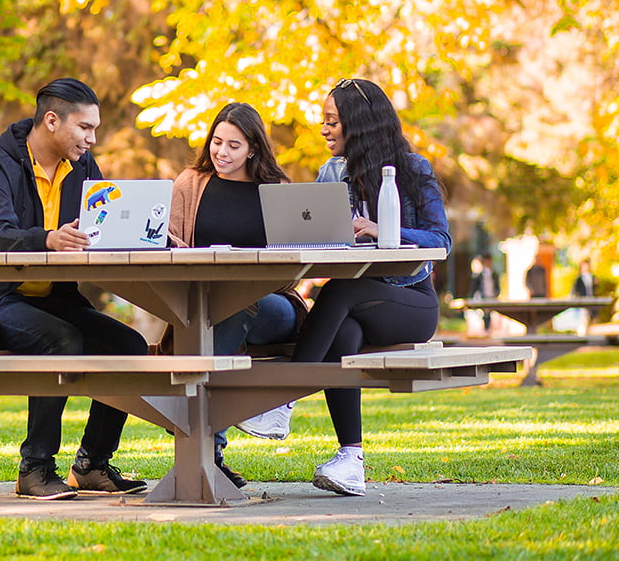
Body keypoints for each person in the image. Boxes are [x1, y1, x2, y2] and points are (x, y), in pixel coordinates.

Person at [0, 78, 149, 501]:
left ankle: (92, 464)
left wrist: (154, 239)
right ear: (51, 121)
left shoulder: (83, 167)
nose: (93, 139)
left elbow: (106, 226)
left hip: (50, 296)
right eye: (85, 128)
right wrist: (47, 238)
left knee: (129, 344)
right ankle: (34, 468)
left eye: (95, 129)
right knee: (62, 340)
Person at [289, 78, 452, 496]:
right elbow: (321, 240)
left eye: (332, 121)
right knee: (345, 329)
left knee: (339, 292)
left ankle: (282, 397)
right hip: (357, 308)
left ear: (358, 125)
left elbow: (442, 240)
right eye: (323, 120)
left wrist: (387, 232)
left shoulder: (412, 170)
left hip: (410, 304)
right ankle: (351, 460)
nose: (323, 129)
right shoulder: (331, 173)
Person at [167, 102, 307, 488]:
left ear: (253, 149)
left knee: (232, 309)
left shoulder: (277, 190)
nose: (222, 152)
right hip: (203, 305)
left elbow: (293, 268)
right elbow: (172, 246)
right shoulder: (189, 184)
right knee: (215, 318)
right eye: (216, 142)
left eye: (233, 145)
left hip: (272, 307)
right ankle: (207, 456)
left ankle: (195, 431)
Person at [469, 253, 500, 332]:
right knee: (484, 312)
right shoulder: (480, 274)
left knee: (489, 312)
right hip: (483, 295)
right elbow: (475, 286)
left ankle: (488, 328)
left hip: (491, 295)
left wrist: (497, 293)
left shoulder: (494, 274)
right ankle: (486, 328)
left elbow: (496, 285)